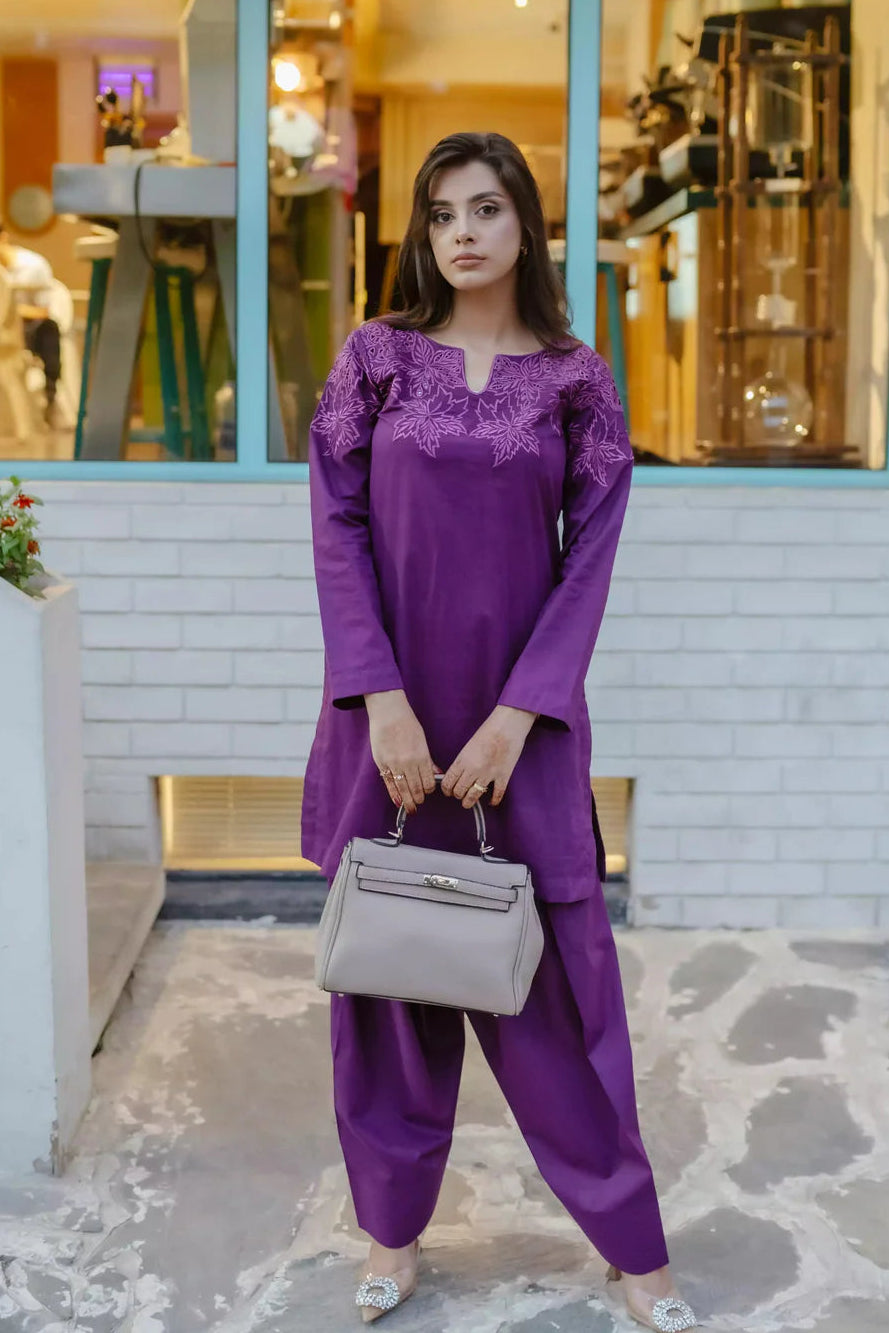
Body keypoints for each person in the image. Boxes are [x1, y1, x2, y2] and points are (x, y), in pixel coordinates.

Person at [301, 131, 699, 1332]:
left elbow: (590, 567)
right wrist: (380, 699)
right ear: (422, 235)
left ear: (525, 221)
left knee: (564, 1000)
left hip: (520, 734)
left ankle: (636, 1253)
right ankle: (391, 1238)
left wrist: (521, 715)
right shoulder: (376, 358)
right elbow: (337, 527)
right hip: (393, 727)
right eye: (440, 215)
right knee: (387, 986)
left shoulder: (578, 381)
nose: (462, 232)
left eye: (484, 208)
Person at [0, 218, 62, 424]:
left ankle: (50, 397)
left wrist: (13, 311)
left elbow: (43, 311)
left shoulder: (33, 266)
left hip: (28, 328)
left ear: (3, 237)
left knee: (49, 328)